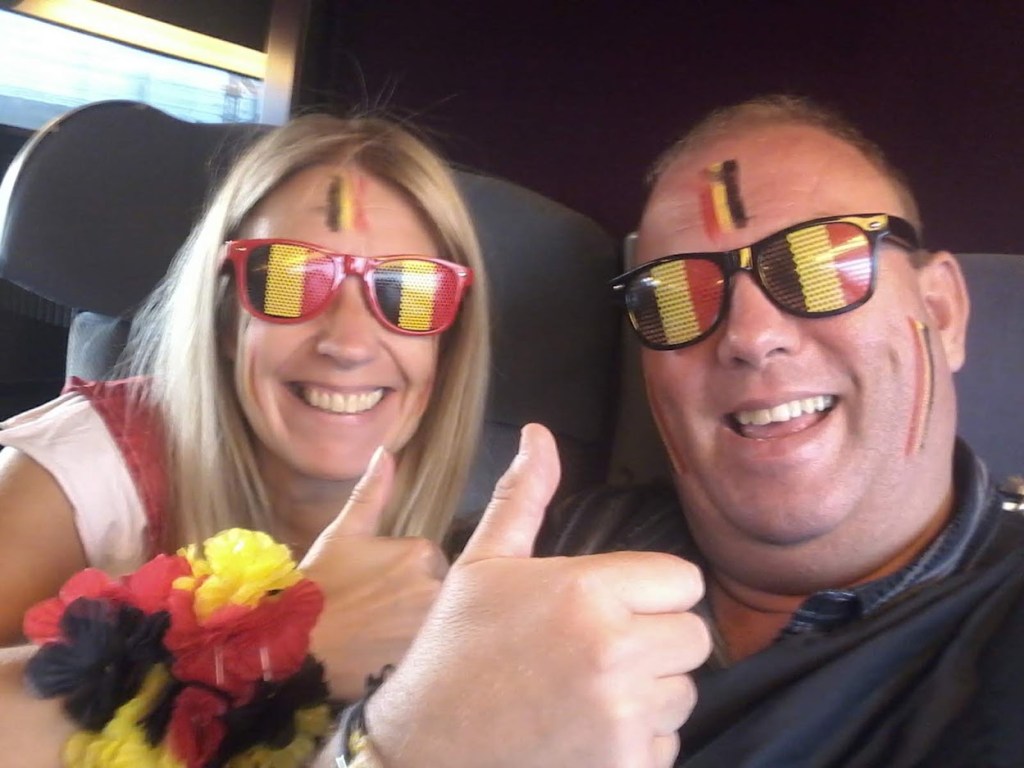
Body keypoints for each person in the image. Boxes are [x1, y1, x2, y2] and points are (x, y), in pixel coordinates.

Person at [323, 95, 1024, 768]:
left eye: (820, 265)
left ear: (943, 312)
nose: (750, 336)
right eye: (677, 295)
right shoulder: (525, 559)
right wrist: (302, 657)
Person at [0, 113, 489, 761]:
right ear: (226, 319)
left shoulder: (482, 549)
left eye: (409, 291)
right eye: (287, 279)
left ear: (447, 344)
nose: (348, 343)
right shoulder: (80, 475)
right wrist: (278, 646)